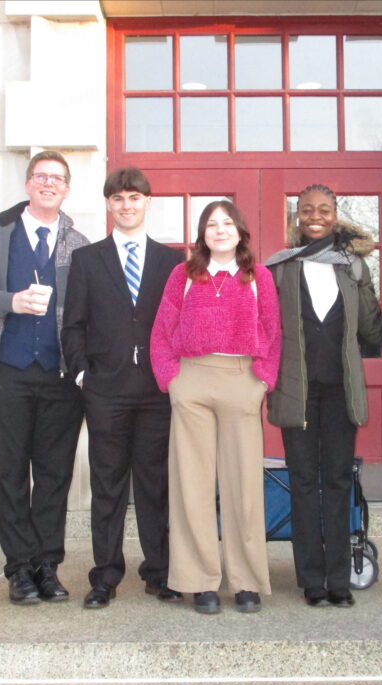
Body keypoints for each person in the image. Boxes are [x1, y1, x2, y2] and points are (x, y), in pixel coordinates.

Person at [0, 150, 89, 605]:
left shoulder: (79, 242)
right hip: (6, 372)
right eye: (40, 176)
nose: (48, 184)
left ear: (67, 189)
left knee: (54, 475)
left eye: (57, 178)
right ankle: (18, 567)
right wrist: (11, 302)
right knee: (11, 473)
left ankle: (47, 566)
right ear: (28, 184)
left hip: (60, 376)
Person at [150, 200, 281, 614]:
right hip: (192, 381)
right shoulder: (183, 275)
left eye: (227, 223)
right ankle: (199, 580)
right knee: (192, 484)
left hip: (241, 381)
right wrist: (172, 380)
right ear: (202, 233)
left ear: (240, 231)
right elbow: (162, 330)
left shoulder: (258, 276)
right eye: (211, 224)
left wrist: (262, 381)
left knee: (243, 484)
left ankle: (246, 581)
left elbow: (272, 332)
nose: (219, 230)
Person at [61, 167, 182, 609]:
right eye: (118, 199)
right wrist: (82, 374)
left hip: (156, 391)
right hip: (105, 390)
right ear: (108, 205)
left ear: (148, 203)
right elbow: (72, 324)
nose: (126, 206)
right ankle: (105, 575)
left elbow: (180, 325)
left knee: (155, 485)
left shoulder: (172, 262)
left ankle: (159, 572)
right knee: (108, 484)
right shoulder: (88, 260)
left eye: (134, 198)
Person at [265, 184, 382, 608]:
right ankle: (311, 580)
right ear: (298, 218)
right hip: (297, 392)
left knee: (336, 481)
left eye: (325, 209)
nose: (316, 216)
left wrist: (365, 282)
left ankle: (338, 579)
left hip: (340, 394)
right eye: (308, 210)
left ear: (336, 215)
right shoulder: (281, 268)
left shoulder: (353, 268)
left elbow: (372, 330)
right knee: (302, 481)